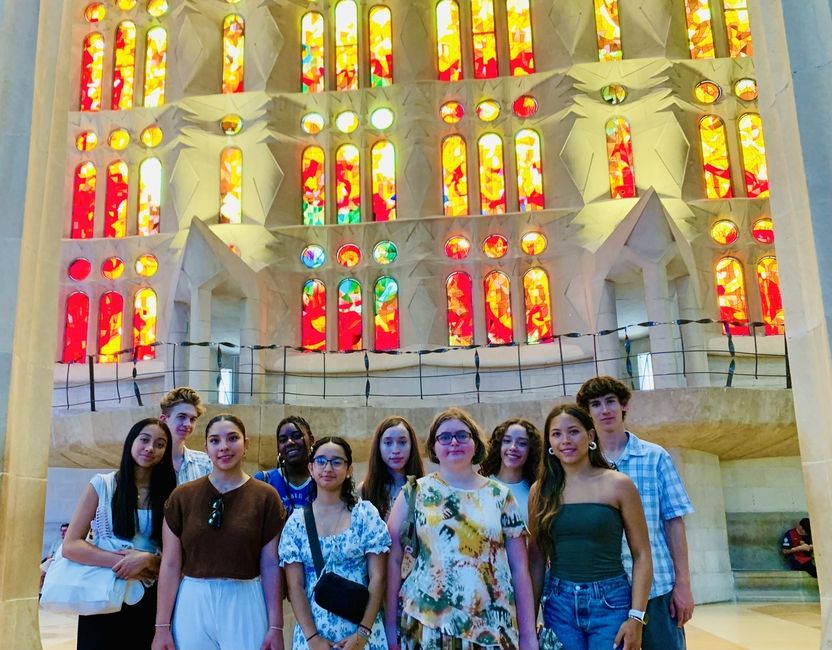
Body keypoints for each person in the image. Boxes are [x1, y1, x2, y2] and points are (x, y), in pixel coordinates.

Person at [386, 407, 538, 650]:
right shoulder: (415, 492)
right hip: (427, 624)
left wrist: (528, 635)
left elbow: (519, 568)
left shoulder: (501, 496)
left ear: (475, 443)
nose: (453, 442)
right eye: (444, 437)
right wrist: (390, 627)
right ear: (434, 447)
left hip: (491, 626)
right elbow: (392, 559)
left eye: (462, 435)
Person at [577, 376, 695, 650]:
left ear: (624, 406)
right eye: (596, 404)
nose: (604, 410)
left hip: (657, 587)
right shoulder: (581, 465)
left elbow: (674, 522)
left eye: (610, 402)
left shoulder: (655, 457)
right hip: (604, 591)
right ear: (588, 412)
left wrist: (683, 584)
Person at [152, 414, 286, 650]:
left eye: (232, 438)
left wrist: (276, 627)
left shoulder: (265, 497)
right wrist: (161, 627)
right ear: (206, 448)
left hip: (245, 599)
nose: (223, 447)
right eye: (215, 441)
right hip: (193, 599)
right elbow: (171, 564)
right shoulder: (182, 497)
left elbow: (270, 564)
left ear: (246, 444)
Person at [529, 404, 652, 650]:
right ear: (549, 442)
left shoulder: (619, 485)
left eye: (573, 431)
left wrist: (636, 617)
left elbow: (642, 555)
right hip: (559, 604)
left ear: (591, 436)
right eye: (556, 434)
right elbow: (536, 560)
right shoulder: (540, 491)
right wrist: (528, 621)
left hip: (611, 602)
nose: (565, 440)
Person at [62, 418, 176, 650]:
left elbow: (177, 555)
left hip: (149, 598)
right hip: (101, 593)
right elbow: (71, 545)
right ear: (130, 442)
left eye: (160, 444)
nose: (150, 448)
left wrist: (148, 561)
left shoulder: (171, 494)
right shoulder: (102, 485)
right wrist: (125, 562)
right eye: (144, 440)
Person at [280, 436, 390, 649]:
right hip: (315, 634)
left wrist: (362, 633)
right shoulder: (297, 523)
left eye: (336, 461)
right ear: (311, 468)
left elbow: (378, 577)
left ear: (348, 469)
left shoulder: (365, 515)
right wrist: (313, 639)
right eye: (321, 461)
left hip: (362, 632)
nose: (328, 467)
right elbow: (295, 586)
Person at [359, 416, 425, 521]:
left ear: (412, 446)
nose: (395, 450)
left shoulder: (425, 488)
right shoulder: (364, 490)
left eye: (402, 442)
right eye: (388, 443)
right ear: (378, 447)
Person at [479, 418, 543, 521]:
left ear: (530, 450)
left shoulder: (537, 491)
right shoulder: (480, 487)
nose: (513, 447)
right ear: (499, 446)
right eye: (507, 441)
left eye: (522, 443)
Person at [255, 415, 317, 515]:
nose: (289, 442)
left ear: (311, 440)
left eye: (296, 436)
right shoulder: (263, 480)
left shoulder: (324, 480)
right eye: (283, 440)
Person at [158, 387, 211, 484]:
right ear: (164, 419)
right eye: (181, 417)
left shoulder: (205, 463)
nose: (188, 424)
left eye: (192, 419)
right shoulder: (151, 461)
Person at [40, 522, 70, 588]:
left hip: (61, 564)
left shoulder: (70, 544)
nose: (62, 533)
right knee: (40, 573)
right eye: (61, 531)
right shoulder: (56, 542)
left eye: (65, 531)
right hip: (51, 563)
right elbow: (49, 556)